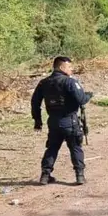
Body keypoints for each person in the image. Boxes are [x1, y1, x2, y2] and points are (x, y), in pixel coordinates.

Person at [31, 56, 93, 186]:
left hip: (53, 122)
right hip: (70, 120)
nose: (72, 69)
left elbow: (35, 102)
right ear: (61, 67)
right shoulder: (69, 82)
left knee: (52, 148)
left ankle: (45, 175)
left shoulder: (44, 82)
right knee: (75, 147)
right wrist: (88, 95)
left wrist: (38, 121)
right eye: (69, 67)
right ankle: (80, 175)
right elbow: (81, 99)